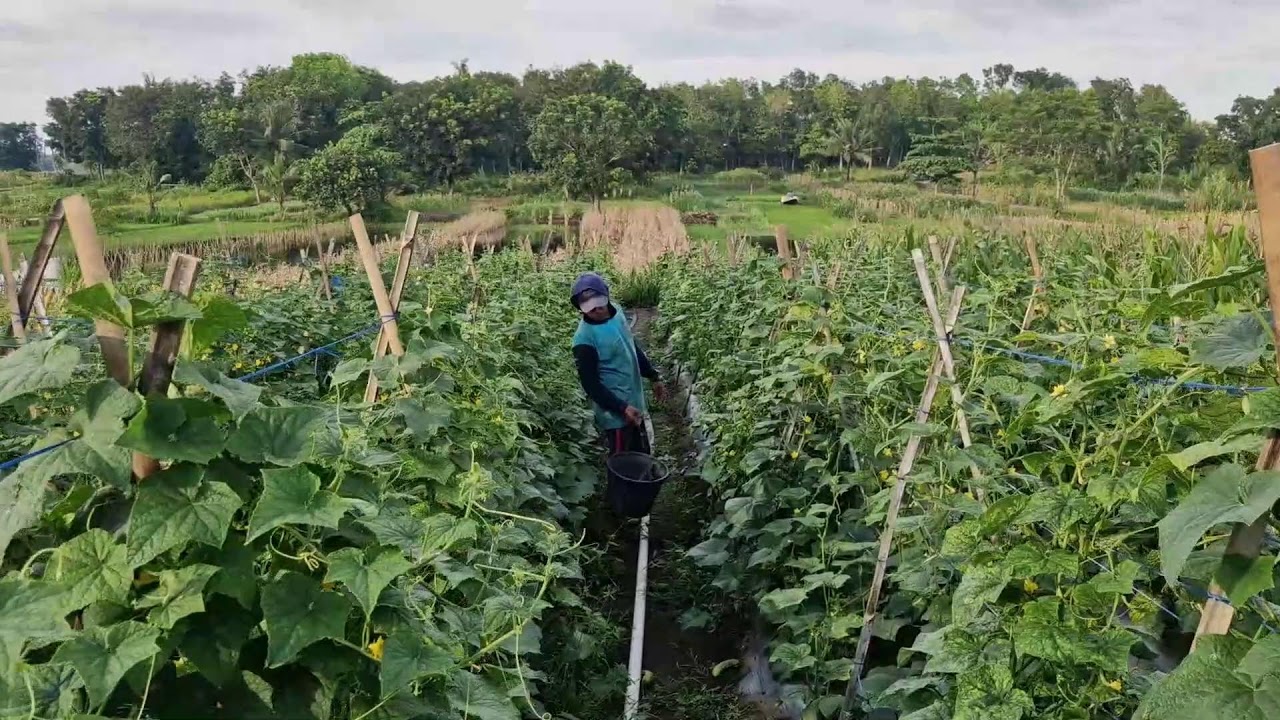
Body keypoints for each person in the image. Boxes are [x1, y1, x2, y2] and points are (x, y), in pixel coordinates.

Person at [570, 272, 667, 455]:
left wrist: (653, 376)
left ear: (606, 296)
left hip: (634, 404)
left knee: (642, 455)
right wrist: (622, 408)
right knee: (623, 461)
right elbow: (591, 386)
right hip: (616, 415)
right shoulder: (583, 340)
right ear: (580, 308)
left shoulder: (618, 313)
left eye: (599, 303)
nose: (596, 310)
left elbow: (631, 346)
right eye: (589, 307)